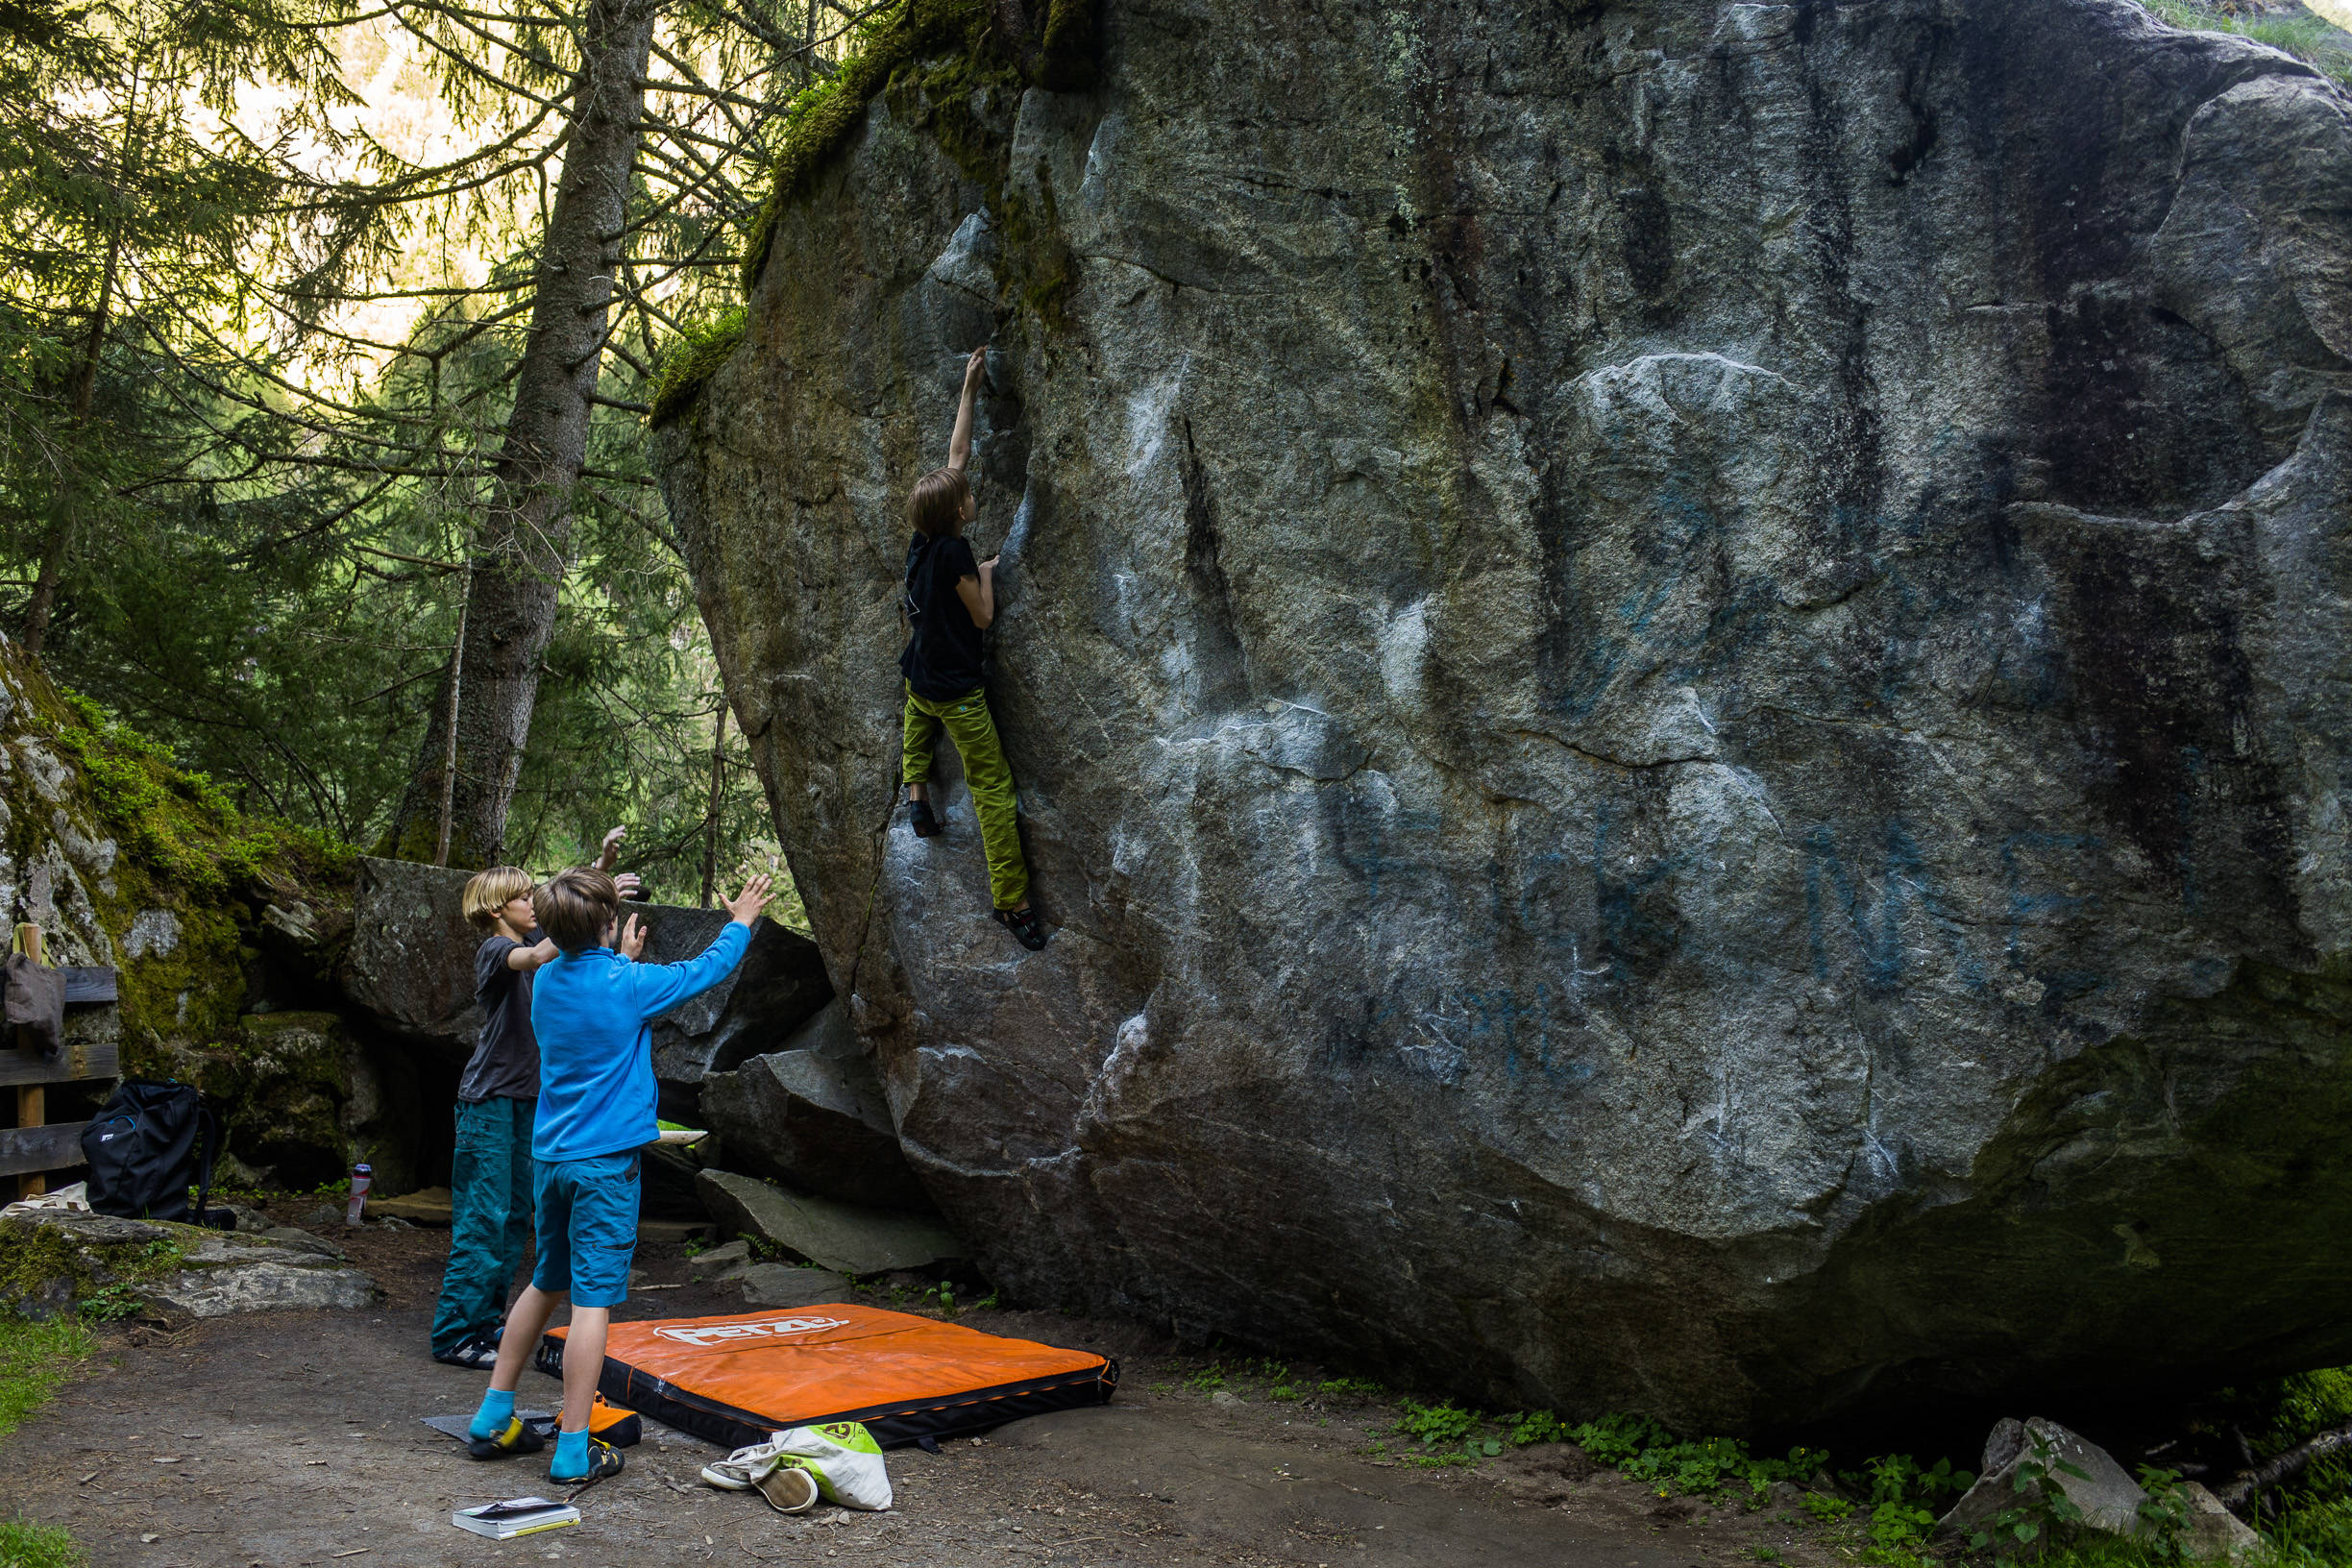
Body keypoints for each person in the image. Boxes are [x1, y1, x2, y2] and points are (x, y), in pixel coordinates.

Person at [465, 864, 772, 1484]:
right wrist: (741, 920)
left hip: (550, 1161)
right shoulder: (630, 983)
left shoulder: (544, 980)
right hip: (604, 1169)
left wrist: (613, 953)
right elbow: (704, 971)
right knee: (592, 1303)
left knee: (543, 1283)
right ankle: (574, 1446)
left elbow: (584, 970)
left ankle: (493, 1415)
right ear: (609, 923)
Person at [430, 828, 634, 1368]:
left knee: (516, 1217)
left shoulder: (532, 941)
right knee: (484, 1216)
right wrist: (596, 895)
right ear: (498, 909)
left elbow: (563, 925)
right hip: (490, 1100)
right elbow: (548, 946)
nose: (532, 903)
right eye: (524, 897)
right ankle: (455, 1332)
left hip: (528, 1104)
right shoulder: (497, 950)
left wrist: (599, 873)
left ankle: (489, 1325)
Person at [900, 344, 1046, 950]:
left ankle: (916, 796)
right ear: (958, 511)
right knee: (992, 789)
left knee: (915, 720)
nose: (969, 492)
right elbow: (982, 616)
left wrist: (969, 389)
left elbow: (956, 456)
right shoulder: (958, 553)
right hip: (959, 693)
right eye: (964, 494)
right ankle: (1011, 903)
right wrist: (988, 569)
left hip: (920, 679)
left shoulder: (922, 539)